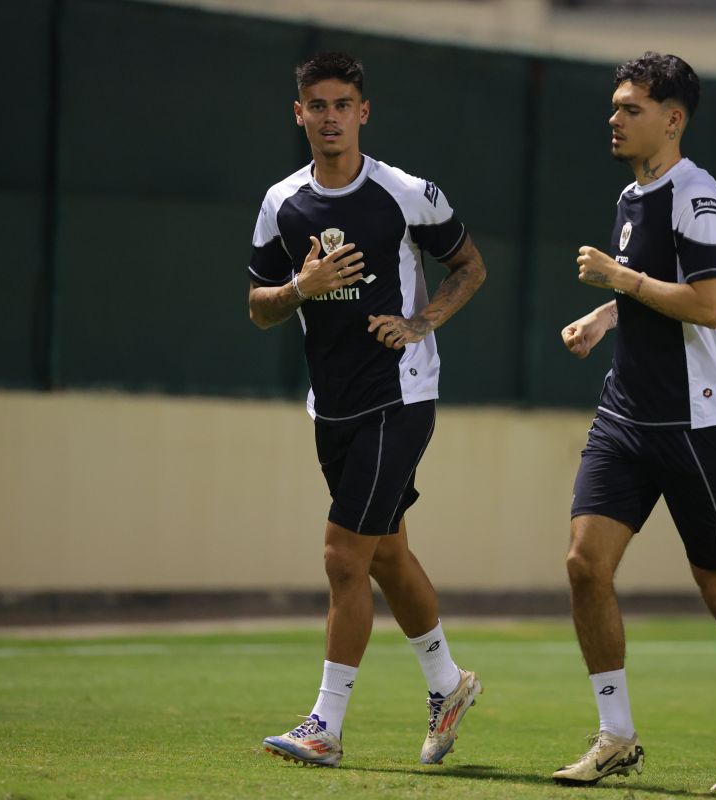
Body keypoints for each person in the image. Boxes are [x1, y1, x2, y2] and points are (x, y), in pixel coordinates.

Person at [246, 51, 487, 768]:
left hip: (400, 395)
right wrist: (301, 287)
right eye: (315, 105)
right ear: (299, 114)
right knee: (386, 554)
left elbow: (469, 264)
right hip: (334, 407)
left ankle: (325, 726)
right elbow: (258, 307)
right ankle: (448, 683)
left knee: (341, 556)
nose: (329, 117)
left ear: (363, 112)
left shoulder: (407, 193)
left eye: (341, 104)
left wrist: (422, 324)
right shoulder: (281, 204)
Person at [554, 51, 716, 793]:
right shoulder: (631, 199)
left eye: (630, 108)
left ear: (672, 118)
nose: (614, 119)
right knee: (585, 564)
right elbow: (657, 291)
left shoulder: (699, 194)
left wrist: (620, 281)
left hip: (698, 424)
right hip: (626, 416)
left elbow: (709, 303)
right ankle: (615, 735)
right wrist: (604, 316)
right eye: (615, 106)